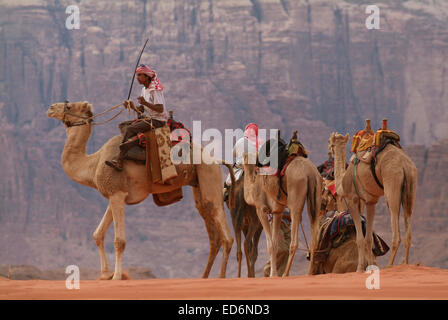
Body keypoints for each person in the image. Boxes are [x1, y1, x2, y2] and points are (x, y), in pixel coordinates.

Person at [106, 64, 168, 171]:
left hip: (157, 121)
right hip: (149, 118)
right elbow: (142, 109)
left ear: (146, 76)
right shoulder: (144, 90)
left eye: (139, 75)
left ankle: (120, 160)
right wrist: (132, 106)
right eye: (137, 75)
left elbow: (160, 108)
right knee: (124, 125)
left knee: (130, 129)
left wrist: (145, 103)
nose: (137, 78)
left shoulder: (154, 90)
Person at [223, 123, 264, 200]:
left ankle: (226, 192)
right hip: (256, 169)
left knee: (228, 181)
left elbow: (233, 154)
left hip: (240, 168)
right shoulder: (261, 142)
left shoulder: (240, 141)